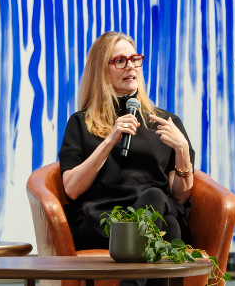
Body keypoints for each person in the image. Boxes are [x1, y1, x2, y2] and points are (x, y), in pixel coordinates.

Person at [59, 32, 195, 286]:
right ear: (102, 70)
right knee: (169, 229)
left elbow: (181, 195)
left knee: (156, 199)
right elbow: (72, 188)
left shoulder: (166, 122)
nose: (131, 66)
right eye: (120, 60)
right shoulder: (81, 123)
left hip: (159, 210)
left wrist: (183, 151)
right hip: (104, 222)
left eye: (134, 59)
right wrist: (110, 140)